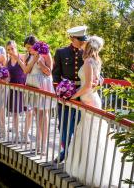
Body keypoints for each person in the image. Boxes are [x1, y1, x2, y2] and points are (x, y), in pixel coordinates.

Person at [65, 36, 131, 187]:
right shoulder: (96, 60)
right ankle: (89, 168)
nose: (82, 46)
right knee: (90, 133)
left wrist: (71, 96)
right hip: (91, 98)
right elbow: (96, 82)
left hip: (89, 98)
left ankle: (92, 171)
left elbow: (88, 85)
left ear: (88, 46)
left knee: (91, 133)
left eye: (84, 44)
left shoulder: (88, 62)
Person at [52, 26, 88, 162]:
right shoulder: (61, 52)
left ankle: (74, 154)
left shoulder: (86, 52)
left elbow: (97, 73)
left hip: (82, 94)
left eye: (83, 39)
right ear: (72, 38)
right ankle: (65, 151)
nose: (82, 42)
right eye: (80, 39)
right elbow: (55, 75)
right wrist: (59, 91)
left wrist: (99, 80)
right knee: (64, 124)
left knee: (78, 124)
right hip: (65, 95)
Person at [18, 36, 55, 154]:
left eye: (29, 47)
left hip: (42, 84)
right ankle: (38, 142)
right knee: (36, 113)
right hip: (31, 84)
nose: (28, 50)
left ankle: (44, 145)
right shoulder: (28, 55)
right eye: (27, 48)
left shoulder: (46, 53)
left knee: (44, 114)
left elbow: (49, 72)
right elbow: (26, 71)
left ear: (35, 45)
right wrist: (33, 59)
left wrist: (41, 62)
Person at [6, 41, 26, 142]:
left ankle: (25, 135)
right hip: (13, 88)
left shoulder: (23, 57)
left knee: (28, 112)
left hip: (23, 87)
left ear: (16, 47)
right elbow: (8, 75)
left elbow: (26, 70)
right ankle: (17, 134)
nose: (10, 51)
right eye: (8, 49)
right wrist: (6, 79)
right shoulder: (8, 61)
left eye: (12, 48)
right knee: (15, 113)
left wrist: (17, 58)